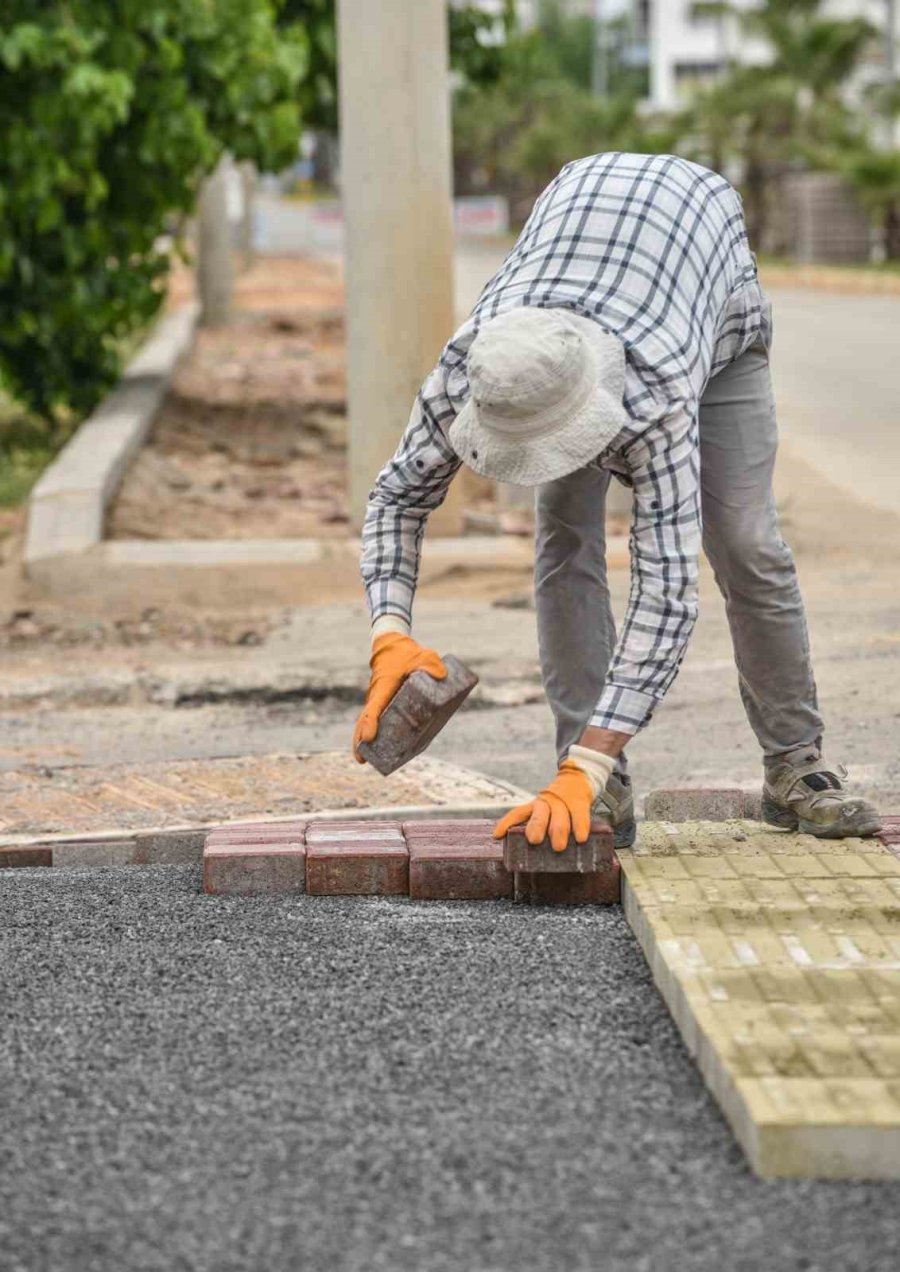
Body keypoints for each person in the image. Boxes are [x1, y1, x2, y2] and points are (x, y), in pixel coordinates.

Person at [351, 152, 881, 851]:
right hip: (580, 261)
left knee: (745, 539)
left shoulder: (658, 396)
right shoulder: (475, 366)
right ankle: (600, 780)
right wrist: (389, 632)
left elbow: (665, 594)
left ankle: (795, 765)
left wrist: (589, 760)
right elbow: (396, 498)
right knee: (564, 534)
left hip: (711, 315)